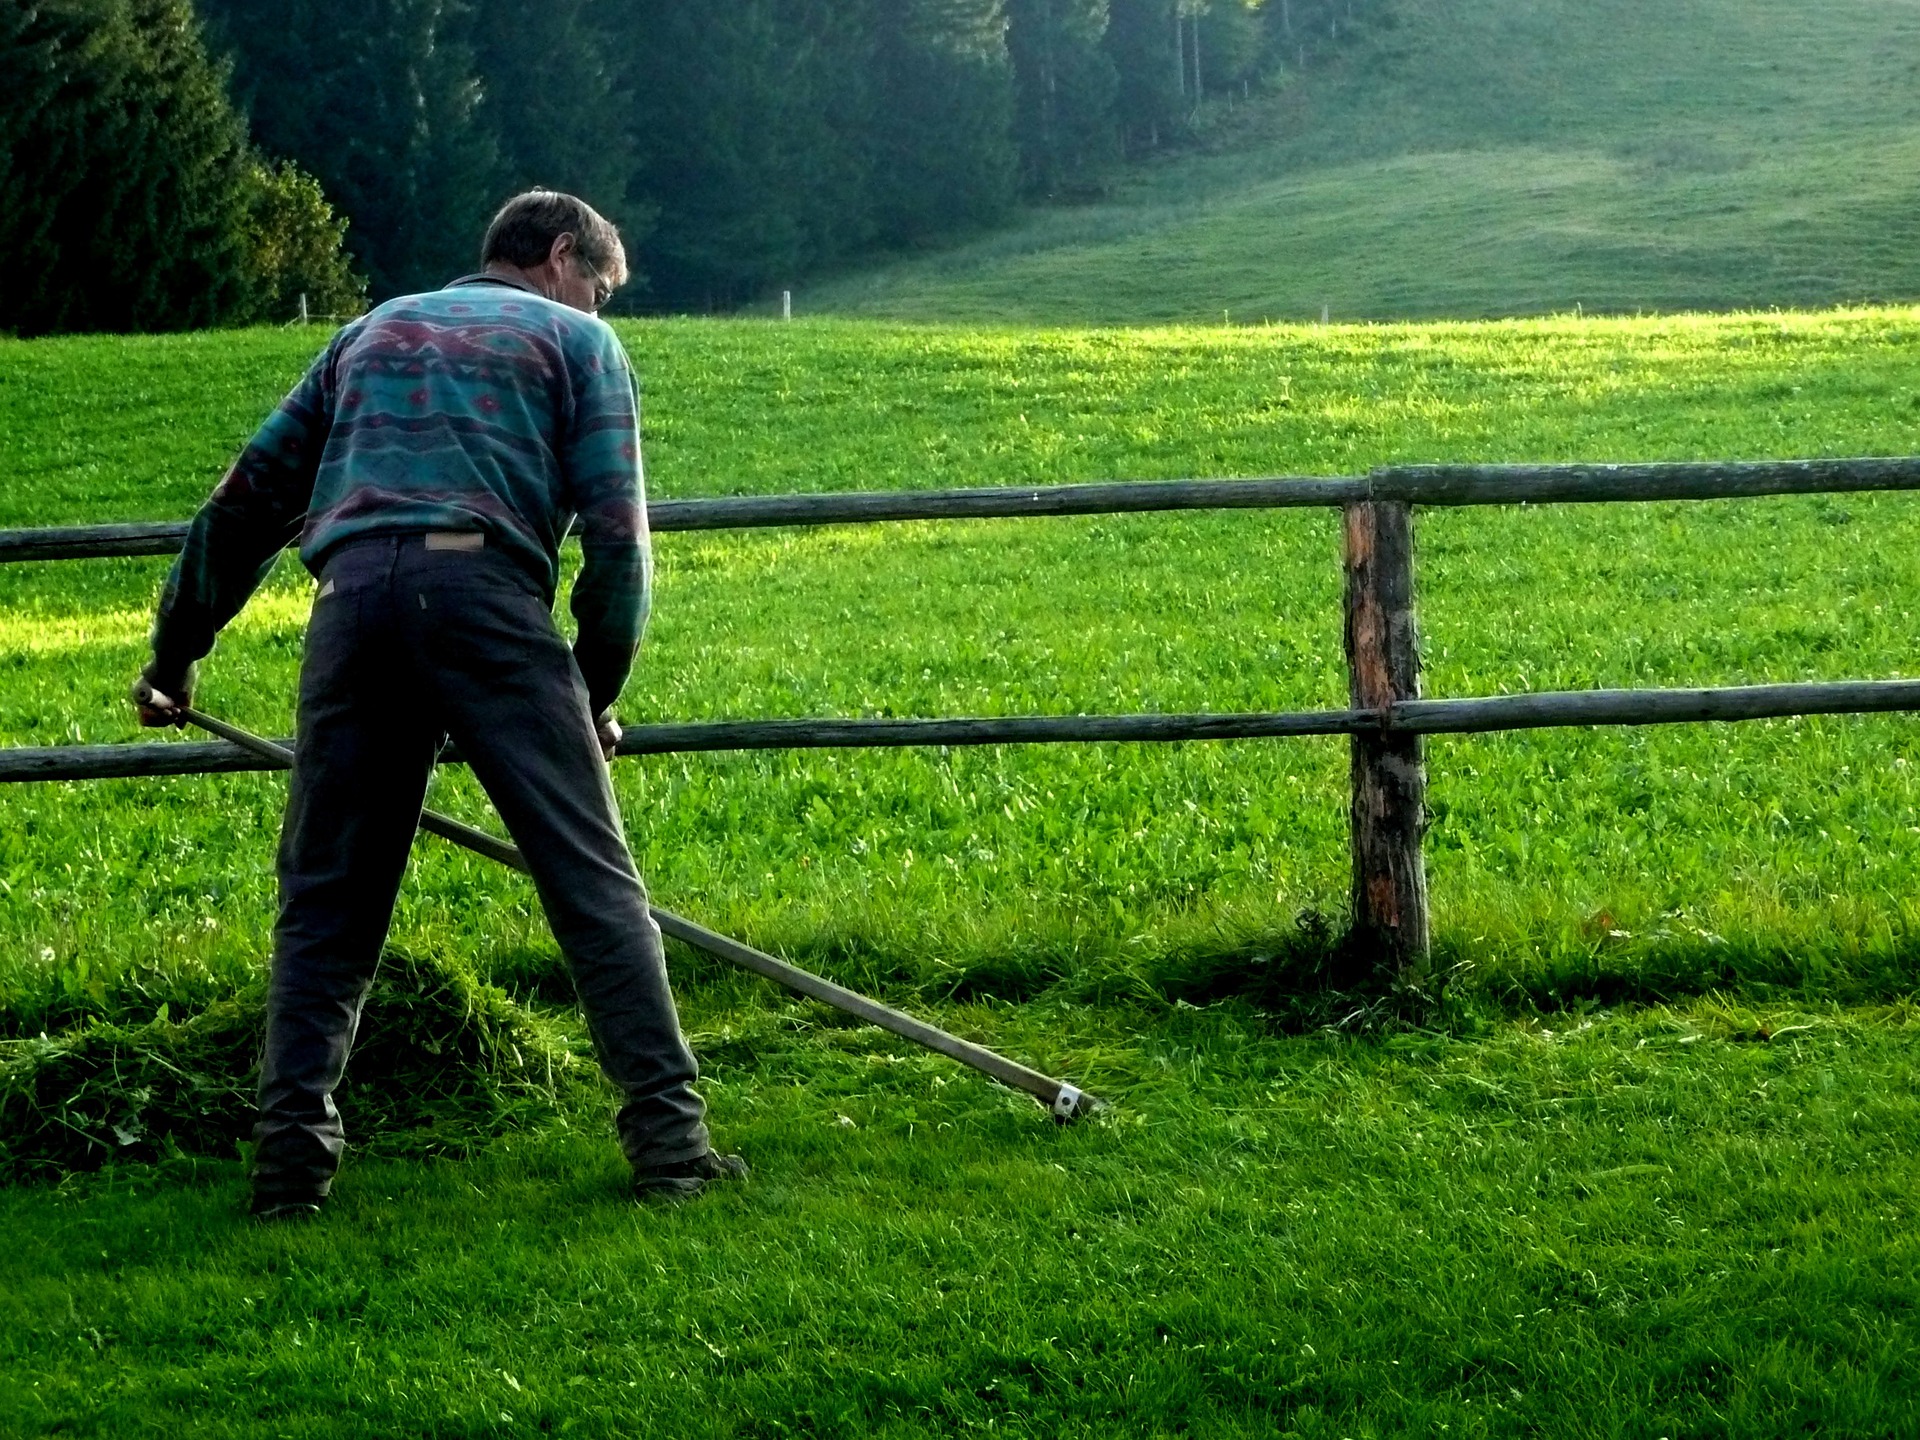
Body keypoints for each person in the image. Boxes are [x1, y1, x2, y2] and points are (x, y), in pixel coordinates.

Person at [134, 190, 744, 1219]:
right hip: (486, 598)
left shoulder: (367, 334)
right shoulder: (577, 345)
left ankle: (290, 1166)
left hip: (351, 603)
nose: (600, 310)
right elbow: (618, 543)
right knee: (590, 881)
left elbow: (245, 500)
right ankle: (672, 1147)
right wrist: (589, 693)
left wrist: (177, 649)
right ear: (562, 257)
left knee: (327, 900)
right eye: (600, 289)